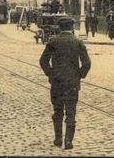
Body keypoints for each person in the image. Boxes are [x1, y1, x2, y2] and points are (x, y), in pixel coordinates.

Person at [39, 16, 91, 150]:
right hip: (72, 83)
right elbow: (87, 63)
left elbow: (43, 61)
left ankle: (58, 138)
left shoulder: (53, 42)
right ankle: (68, 141)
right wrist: (79, 76)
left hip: (57, 83)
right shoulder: (78, 42)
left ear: (59, 27)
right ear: (72, 27)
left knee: (57, 110)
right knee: (71, 111)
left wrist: (50, 74)